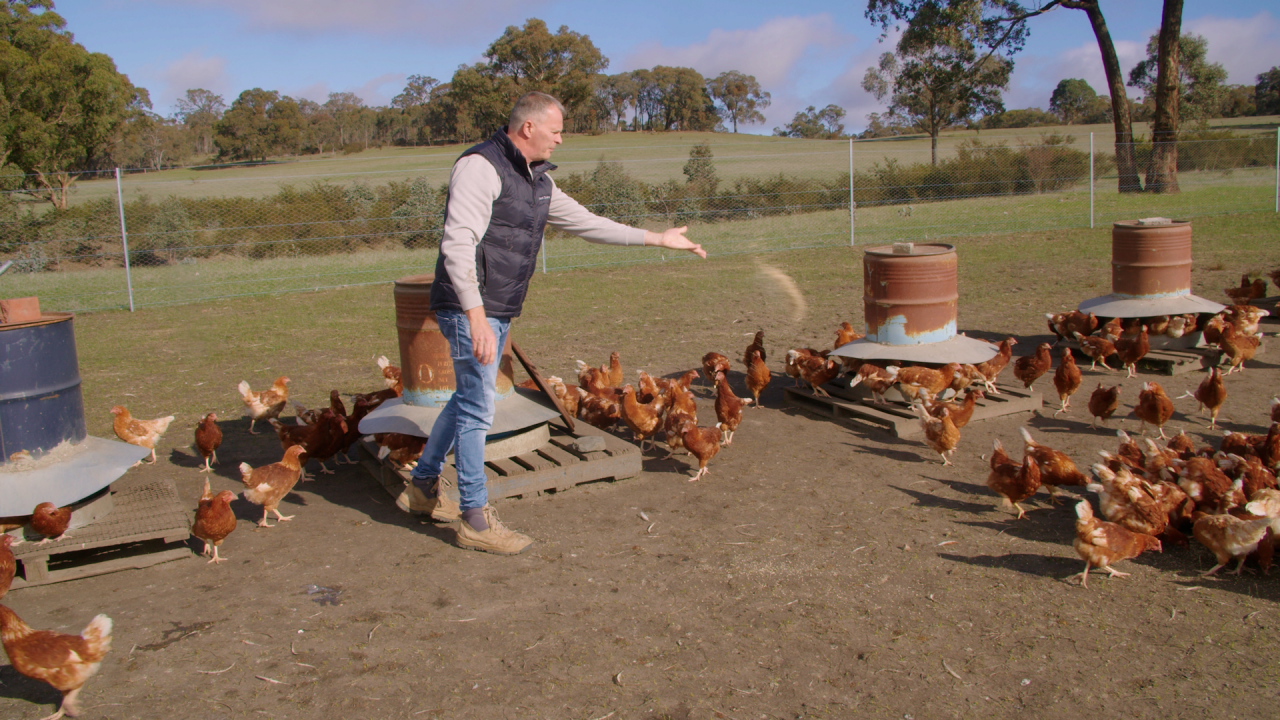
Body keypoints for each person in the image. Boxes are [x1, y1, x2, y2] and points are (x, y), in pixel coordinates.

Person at [402, 91, 705, 555]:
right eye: (556, 130)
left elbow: (586, 222)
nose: (561, 140)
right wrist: (476, 317)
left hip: (496, 308)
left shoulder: (537, 181)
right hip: (468, 308)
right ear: (528, 128)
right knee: (479, 408)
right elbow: (457, 244)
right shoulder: (480, 167)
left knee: (468, 398)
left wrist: (657, 239)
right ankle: (475, 519)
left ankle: (423, 488)